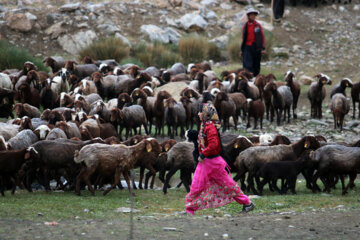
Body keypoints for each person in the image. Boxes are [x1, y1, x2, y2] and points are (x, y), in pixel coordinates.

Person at [185, 103, 255, 215]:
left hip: (213, 162)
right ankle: (189, 209)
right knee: (196, 185)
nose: (198, 114)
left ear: (205, 114)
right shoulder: (205, 126)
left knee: (228, 186)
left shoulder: (210, 128)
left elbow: (213, 145)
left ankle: (247, 203)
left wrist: (202, 154)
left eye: (200, 112)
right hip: (206, 162)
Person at [240, 8, 266, 77]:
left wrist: (263, 48)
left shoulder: (258, 25)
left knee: (256, 64)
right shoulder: (245, 26)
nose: (253, 16)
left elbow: (262, 37)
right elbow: (243, 38)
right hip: (247, 47)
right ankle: (248, 77)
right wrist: (242, 50)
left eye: (254, 15)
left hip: (256, 47)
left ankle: (255, 78)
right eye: (251, 15)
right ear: (248, 16)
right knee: (247, 65)